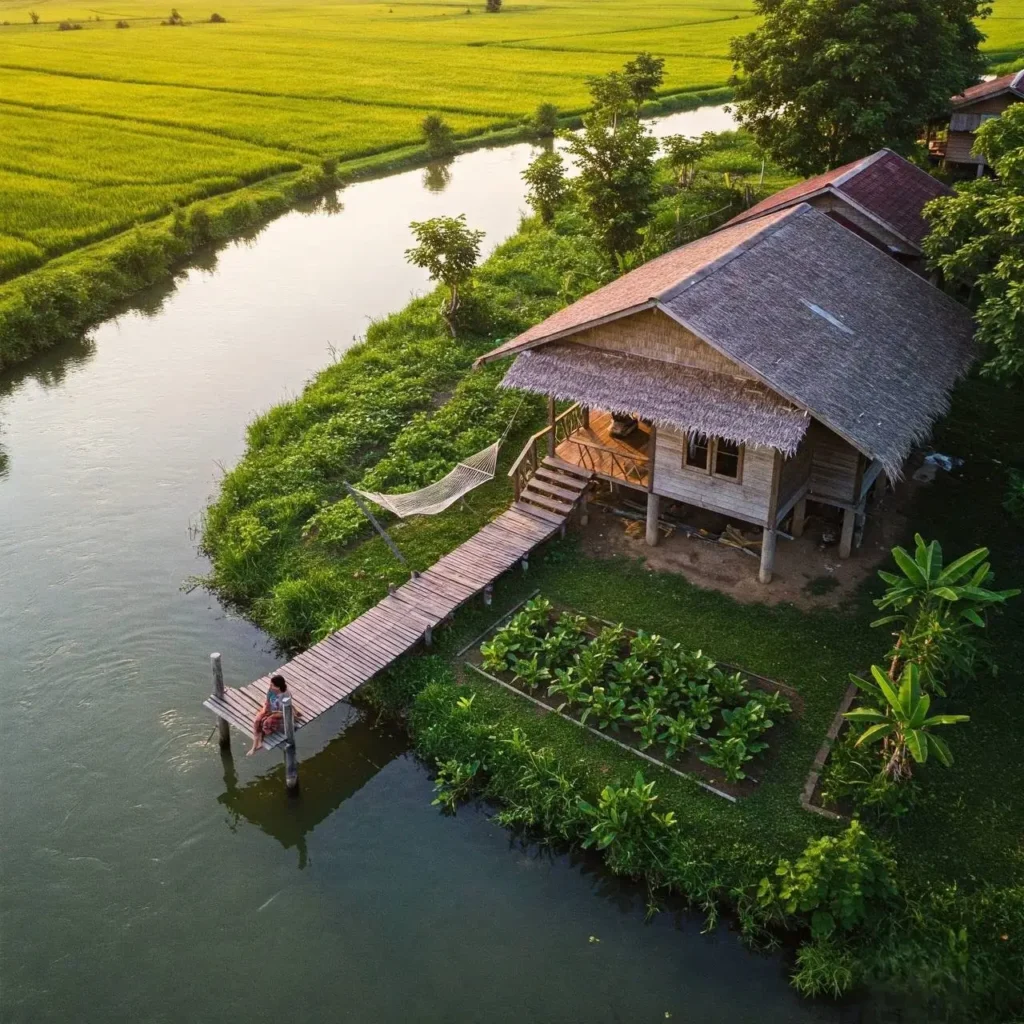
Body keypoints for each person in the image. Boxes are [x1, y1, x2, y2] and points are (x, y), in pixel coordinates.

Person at [247, 674, 301, 755]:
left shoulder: (286, 695)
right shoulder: (271, 689)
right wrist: (265, 709)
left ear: (278, 687)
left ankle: (261, 740)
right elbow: (268, 701)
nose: (270, 686)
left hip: (280, 713)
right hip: (270, 710)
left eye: (272, 685)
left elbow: (285, 712)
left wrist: (272, 715)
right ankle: (254, 745)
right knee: (257, 721)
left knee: (266, 723)